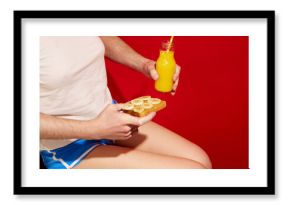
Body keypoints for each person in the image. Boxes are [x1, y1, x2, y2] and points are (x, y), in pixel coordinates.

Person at [40, 36, 212, 169]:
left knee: (200, 159)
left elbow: (100, 36)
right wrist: (94, 129)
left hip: (109, 114)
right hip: (67, 145)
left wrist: (144, 65)